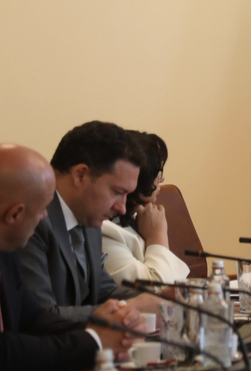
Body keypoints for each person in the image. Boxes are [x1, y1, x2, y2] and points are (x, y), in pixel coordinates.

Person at [0, 144, 143, 371]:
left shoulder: (6, 251)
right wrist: (93, 341)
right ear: (15, 214)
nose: (44, 216)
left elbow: (33, 319)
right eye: (41, 210)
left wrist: (106, 328)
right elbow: (5, 350)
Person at [16, 121, 160, 322]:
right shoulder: (30, 220)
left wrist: (161, 300)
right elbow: (41, 317)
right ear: (80, 175)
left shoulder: (89, 217)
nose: (122, 208)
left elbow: (104, 292)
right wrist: (131, 308)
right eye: (117, 192)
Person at [102, 131, 189, 286]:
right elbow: (157, 290)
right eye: (156, 173)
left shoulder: (141, 217)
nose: (162, 179)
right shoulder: (104, 229)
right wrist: (158, 237)